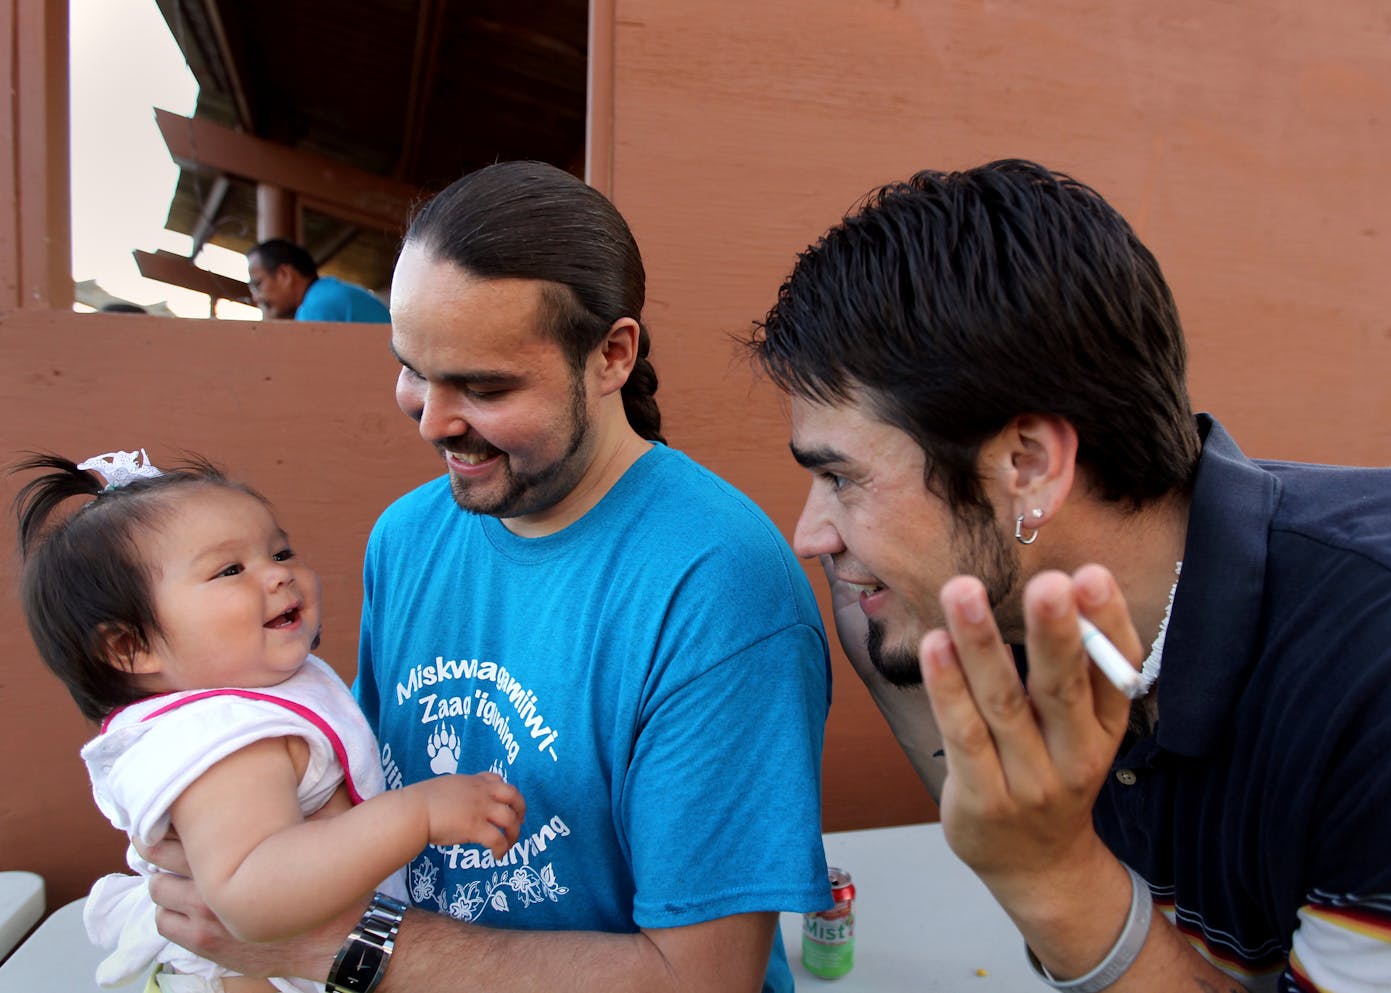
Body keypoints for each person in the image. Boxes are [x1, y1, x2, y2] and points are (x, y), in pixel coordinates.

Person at [149, 160, 834, 993]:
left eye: (483, 385)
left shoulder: (718, 586)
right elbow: (352, 797)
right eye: (413, 369)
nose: (433, 421)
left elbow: (700, 980)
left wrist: (335, 946)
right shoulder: (406, 535)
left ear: (611, 354)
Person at [746, 159, 1391, 991]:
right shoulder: (1035, 619)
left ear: (1027, 465)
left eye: (843, 478)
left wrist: (1053, 876)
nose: (809, 535)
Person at [12, 448, 525, 993]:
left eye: (280, 551)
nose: (279, 574)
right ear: (131, 647)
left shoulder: (253, 696)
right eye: (230, 569)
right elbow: (253, 897)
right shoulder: (223, 741)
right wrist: (417, 814)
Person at [245, 239, 391, 323]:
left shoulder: (316, 307)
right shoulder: (328, 293)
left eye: (258, 285)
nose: (256, 298)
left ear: (284, 275)